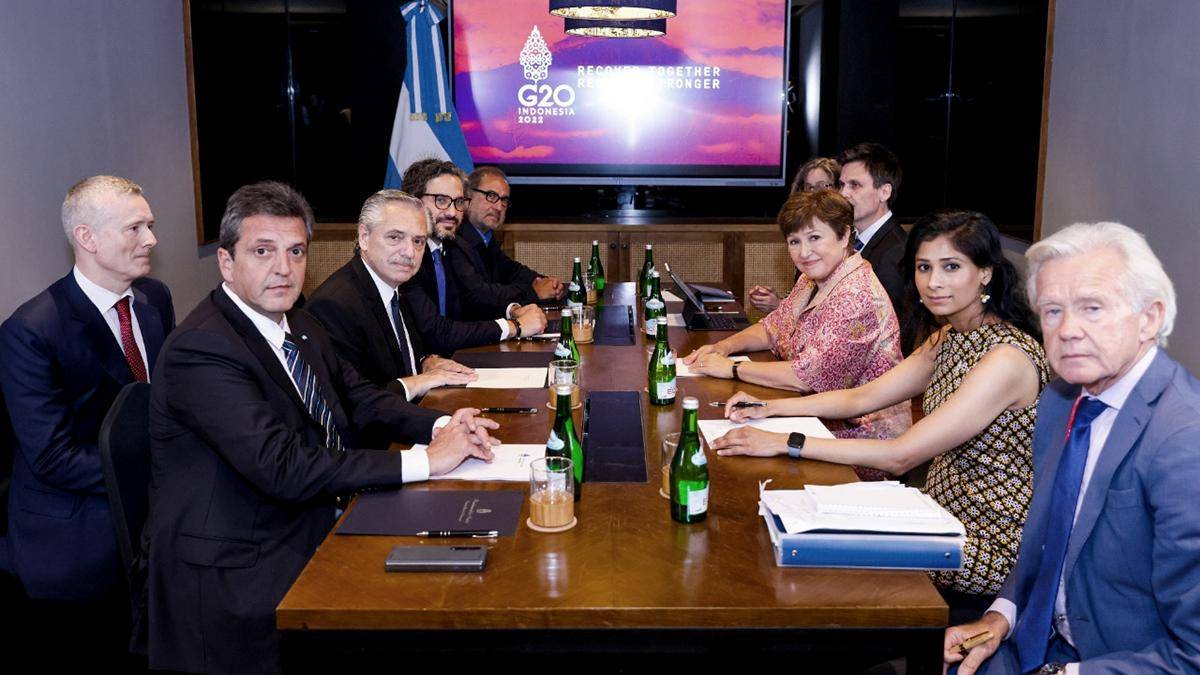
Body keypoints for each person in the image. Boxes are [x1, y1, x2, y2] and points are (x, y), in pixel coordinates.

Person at [146, 181, 499, 674]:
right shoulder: (202, 348)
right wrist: (426, 460)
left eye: (295, 251)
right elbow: (283, 466)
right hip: (241, 565)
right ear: (226, 262)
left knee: (469, 569)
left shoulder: (301, 325)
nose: (283, 268)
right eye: (263, 251)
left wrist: (444, 423)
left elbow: (361, 398)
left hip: (309, 515)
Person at [713, 210, 1048, 620]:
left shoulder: (1006, 358)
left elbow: (900, 456)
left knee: (804, 570)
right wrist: (769, 408)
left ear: (985, 273)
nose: (933, 282)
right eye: (924, 267)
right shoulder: (951, 336)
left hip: (980, 545)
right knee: (782, 536)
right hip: (934, 517)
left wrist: (785, 442)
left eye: (951, 267)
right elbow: (861, 398)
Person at [944, 222, 1200, 675]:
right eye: (1053, 311)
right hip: (1035, 640)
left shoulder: (1184, 439)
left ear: (1149, 318)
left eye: (1092, 308)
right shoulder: (1060, 399)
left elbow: (1193, 653)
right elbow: (1051, 541)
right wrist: (998, 618)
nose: (1067, 330)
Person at [0, 175, 174, 605]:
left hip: (154, 517)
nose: (151, 239)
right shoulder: (31, 331)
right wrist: (160, 467)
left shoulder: (155, 298)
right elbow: (52, 457)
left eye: (150, 225)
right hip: (76, 535)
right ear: (87, 238)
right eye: (135, 228)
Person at [684, 189, 911, 479]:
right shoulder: (812, 278)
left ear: (844, 236)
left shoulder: (857, 294)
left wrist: (732, 368)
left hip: (859, 443)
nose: (804, 252)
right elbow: (771, 327)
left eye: (814, 238)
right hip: (813, 416)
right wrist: (723, 348)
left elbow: (805, 376)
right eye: (794, 241)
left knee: (728, 465)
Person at [306, 189, 483, 412]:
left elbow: (396, 359)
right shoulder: (334, 305)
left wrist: (425, 362)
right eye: (395, 237)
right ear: (364, 237)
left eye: (418, 241)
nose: (409, 252)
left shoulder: (397, 286)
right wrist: (419, 382)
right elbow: (354, 404)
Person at [399, 159, 545, 352]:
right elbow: (436, 332)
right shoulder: (404, 256)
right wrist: (514, 327)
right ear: (414, 202)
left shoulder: (449, 245)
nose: (452, 212)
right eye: (441, 200)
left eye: (459, 202)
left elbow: (469, 300)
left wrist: (512, 310)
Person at [456, 165, 564, 316]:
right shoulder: (455, 240)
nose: (499, 207)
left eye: (504, 200)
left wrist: (544, 282)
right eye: (491, 196)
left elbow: (512, 271)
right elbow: (480, 294)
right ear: (467, 197)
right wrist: (533, 291)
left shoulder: (486, 238)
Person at [750, 156, 841, 313]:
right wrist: (780, 300)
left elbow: (826, 313)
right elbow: (805, 298)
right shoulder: (802, 236)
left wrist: (778, 306)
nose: (814, 194)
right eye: (809, 188)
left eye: (823, 186)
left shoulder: (841, 239)